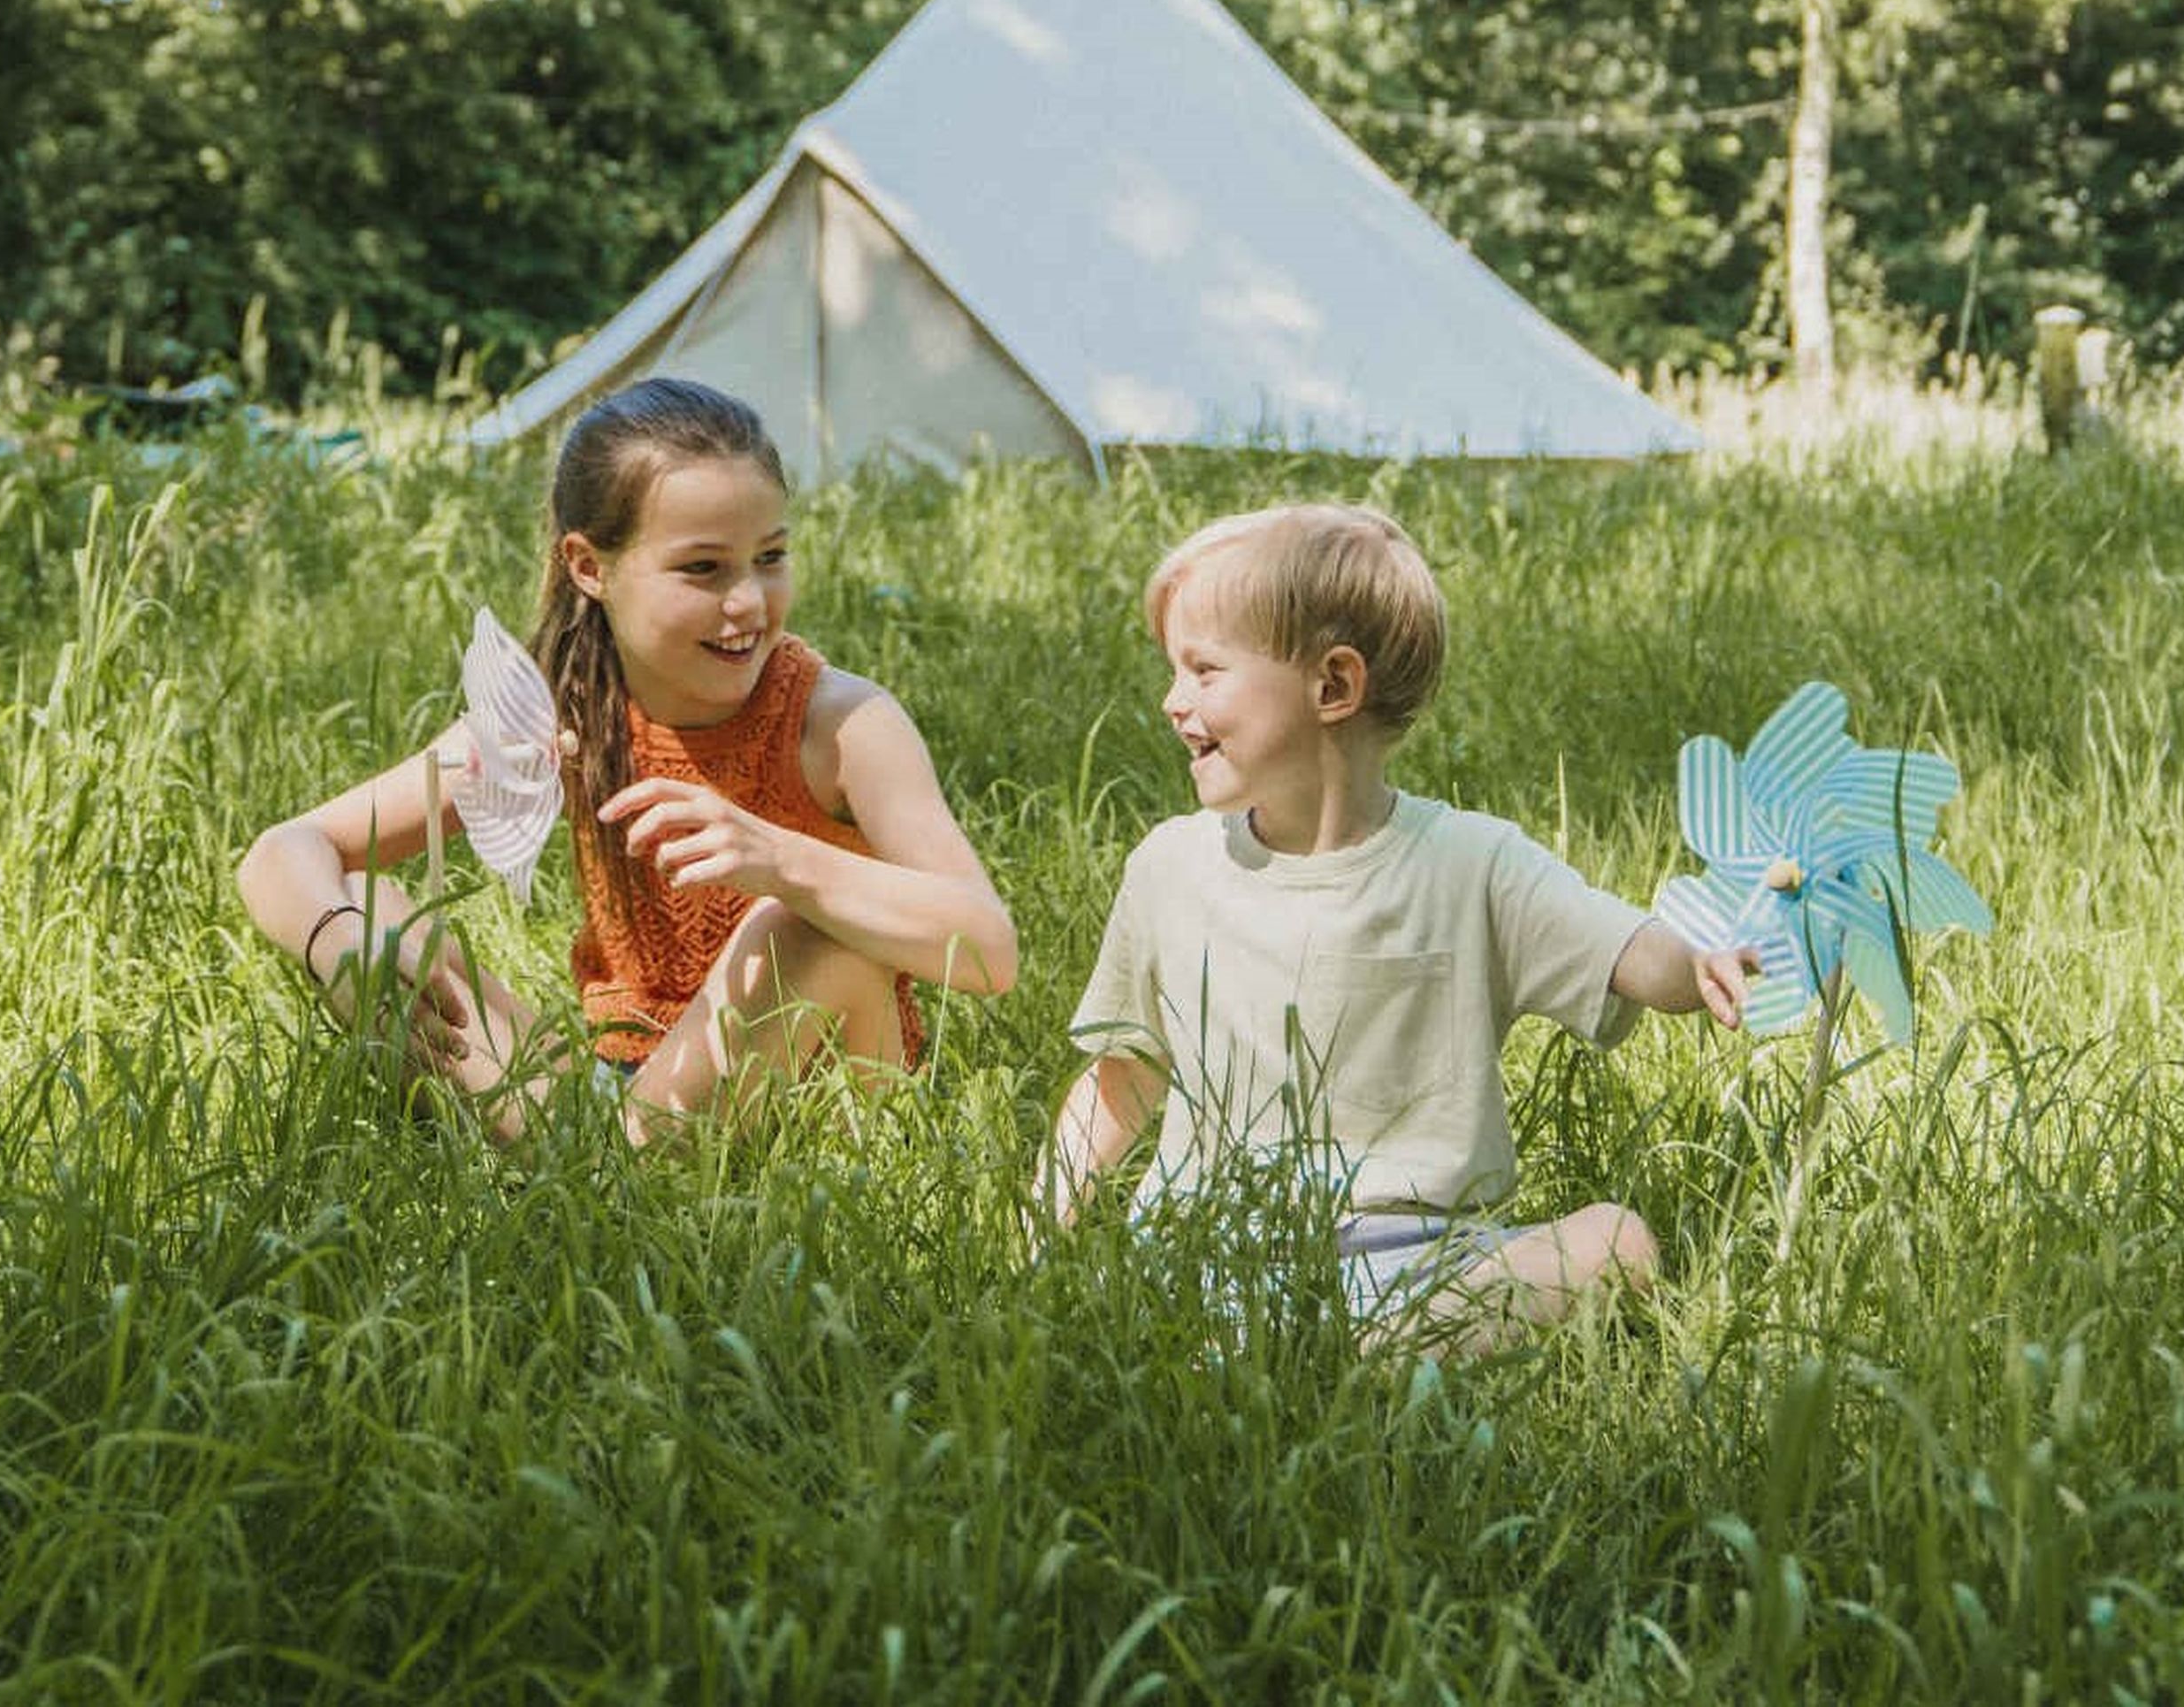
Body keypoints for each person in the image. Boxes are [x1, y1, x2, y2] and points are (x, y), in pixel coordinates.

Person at [1037, 502, 1756, 1347]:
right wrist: (1039, 1243)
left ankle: (1328, 1352)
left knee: (1620, 1242)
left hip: (1421, 1260)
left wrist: (1704, 958)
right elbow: (1123, 1077)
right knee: (1205, 1309)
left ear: (1332, 687)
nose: (1172, 701)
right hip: (1210, 1254)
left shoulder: (1471, 864)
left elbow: (1631, 951)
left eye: (1204, 671)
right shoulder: (1170, 868)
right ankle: (1338, 1355)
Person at [238, 377, 1017, 1139]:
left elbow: (990, 950)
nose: (748, 601)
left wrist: (782, 862)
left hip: (822, 1090)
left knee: (795, 929)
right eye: (703, 569)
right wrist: (342, 938)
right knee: (362, 902)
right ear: (588, 566)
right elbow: (284, 851)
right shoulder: (561, 716)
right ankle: (602, 1151)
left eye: (770, 556)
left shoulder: (843, 724)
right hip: (627, 1085)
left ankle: (599, 1168)